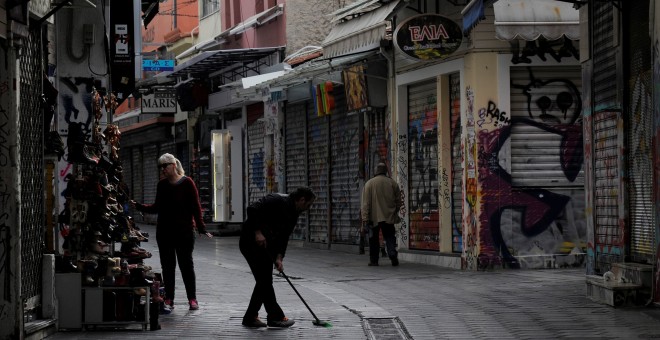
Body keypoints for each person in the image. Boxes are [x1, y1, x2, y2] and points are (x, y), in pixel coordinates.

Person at [130, 153, 212, 311]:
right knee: (167, 267)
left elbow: (196, 207)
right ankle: (169, 299)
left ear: (173, 165)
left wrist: (201, 228)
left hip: (185, 232)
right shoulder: (162, 185)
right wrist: (139, 206)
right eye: (160, 167)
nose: (162, 170)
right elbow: (156, 207)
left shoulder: (188, 183)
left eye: (164, 166)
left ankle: (192, 298)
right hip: (165, 233)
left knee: (186, 266)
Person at [239, 187, 316, 328]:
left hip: (266, 247)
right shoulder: (276, 200)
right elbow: (252, 210)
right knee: (264, 280)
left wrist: (279, 258)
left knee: (264, 281)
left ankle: (252, 317)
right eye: (308, 204)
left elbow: (284, 237)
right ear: (302, 199)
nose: (308, 208)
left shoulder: (294, 214)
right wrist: (258, 232)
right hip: (250, 242)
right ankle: (274, 316)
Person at [361, 162, 401, 266]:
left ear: (375, 171)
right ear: (385, 171)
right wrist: (394, 211)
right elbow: (398, 201)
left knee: (373, 239)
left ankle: (374, 260)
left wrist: (365, 218)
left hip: (373, 218)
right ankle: (392, 253)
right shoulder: (392, 183)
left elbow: (365, 204)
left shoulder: (369, 184)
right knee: (389, 236)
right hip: (389, 215)